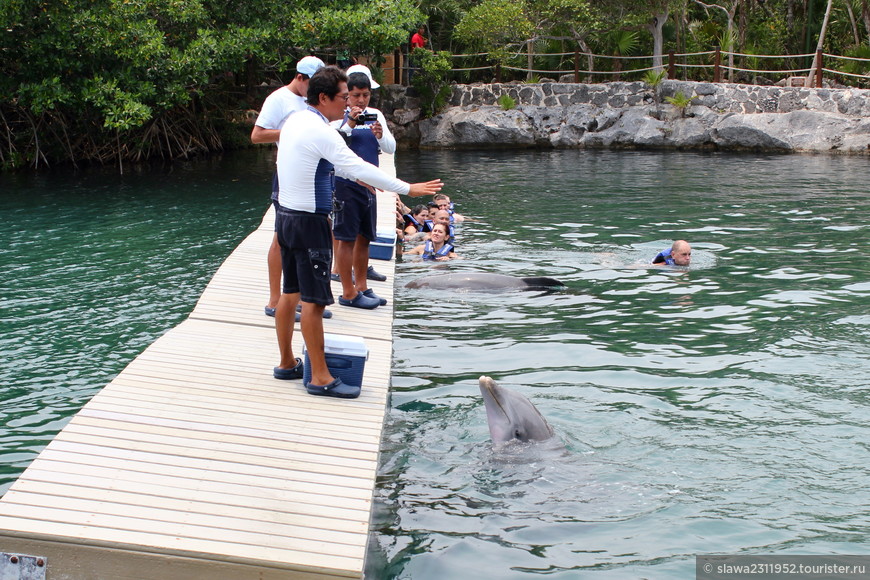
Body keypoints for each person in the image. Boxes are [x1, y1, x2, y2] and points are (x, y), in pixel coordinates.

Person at [272, 66, 442, 398]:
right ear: (324, 98)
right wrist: (408, 187)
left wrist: (358, 178)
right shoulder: (321, 131)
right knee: (313, 301)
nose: (347, 101)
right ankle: (320, 376)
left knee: (289, 292)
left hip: (287, 218)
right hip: (310, 225)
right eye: (342, 96)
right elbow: (356, 165)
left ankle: (286, 362)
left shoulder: (295, 121)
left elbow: (330, 166)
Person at [251, 55, 325, 319]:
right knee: (281, 237)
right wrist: (292, 131)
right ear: (300, 78)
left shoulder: (311, 100)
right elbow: (257, 134)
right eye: (312, 84)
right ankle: (275, 300)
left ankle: (300, 299)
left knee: (305, 238)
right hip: (287, 173)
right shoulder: (279, 99)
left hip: (311, 175)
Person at [331, 64, 395, 309]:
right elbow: (333, 144)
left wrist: (380, 135)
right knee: (346, 239)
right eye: (355, 95)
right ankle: (347, 292)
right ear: (347, 95)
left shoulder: (375, 115)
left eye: (365, 95)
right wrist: (349, 122)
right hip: (346, 185)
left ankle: (362, 286)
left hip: (370, 185)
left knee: (365, 238)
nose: (361, 100)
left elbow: (391, 148)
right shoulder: (337, 117)